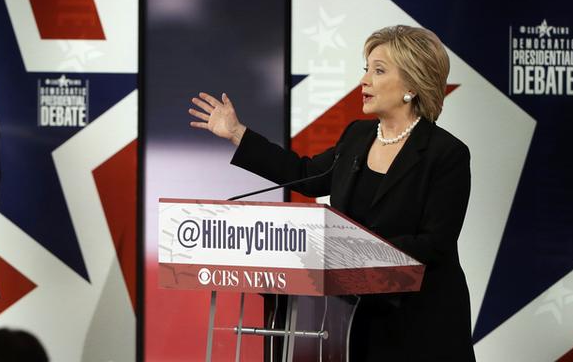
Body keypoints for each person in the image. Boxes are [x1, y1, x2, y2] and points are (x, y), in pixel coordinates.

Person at [188, 25, 475, 361]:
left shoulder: (446, 154)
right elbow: (307, 175)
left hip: (419, 326)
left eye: (378, 70)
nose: (365, 80)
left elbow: (434, 244)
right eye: (365, 69)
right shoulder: (357, 136)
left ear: (412, 84)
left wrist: (347, 254)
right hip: (351, 323)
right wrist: (239, 134)